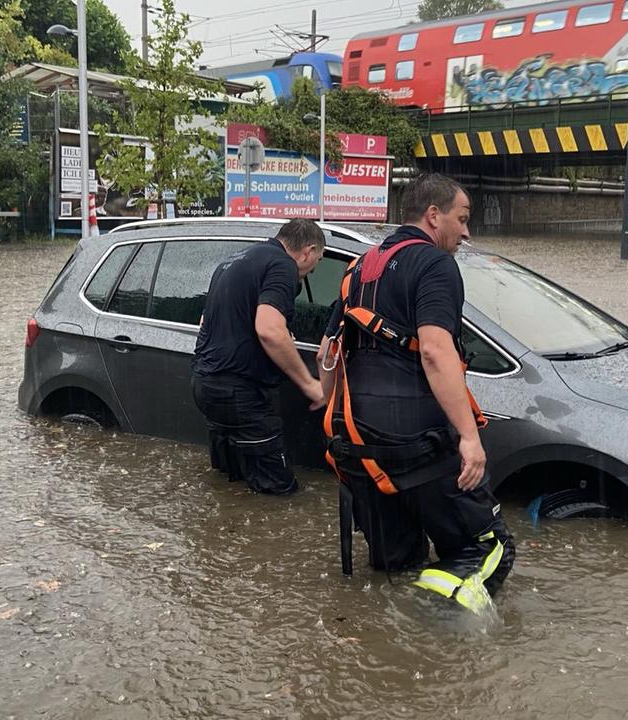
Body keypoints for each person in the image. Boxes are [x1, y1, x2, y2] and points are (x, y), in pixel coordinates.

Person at [318, 174, 514, 615]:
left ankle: (388, 652)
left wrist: (330, 411)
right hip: (415, 439)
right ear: (433, 215)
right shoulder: (434, 265)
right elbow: (435, 350)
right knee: (489, 549)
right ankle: (432, 640)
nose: (466, 232)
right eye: (461, 219)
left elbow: (327, 359)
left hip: (353, 444)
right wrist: (468, 436)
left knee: (397, 564)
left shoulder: (356, 267)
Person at [191, 218, 326, 495]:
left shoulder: (233, 262)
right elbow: (268, 330)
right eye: (318, 261)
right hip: (241, 393)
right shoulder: (282, 265)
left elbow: (206, 321)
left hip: (205, 385)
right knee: (279, 494)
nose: (311, 272)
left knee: (232, 484)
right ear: (309, 251)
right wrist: (310, 384)